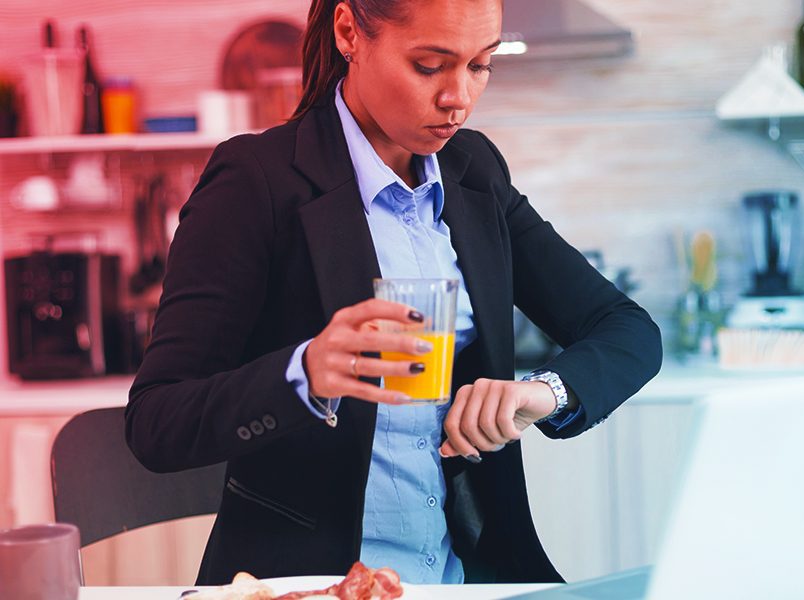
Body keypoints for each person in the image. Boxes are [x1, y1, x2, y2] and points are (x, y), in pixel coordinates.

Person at [125, 0, 662, 587]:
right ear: (350, 31)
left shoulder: (473, 169)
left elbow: (627, 328)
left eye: (481, 65)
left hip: (466, 578)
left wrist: (538, 394)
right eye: (430, 66)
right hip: (308, 584)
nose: (458, 96)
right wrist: (305, 373)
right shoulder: (256, 181)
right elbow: (157, 422)